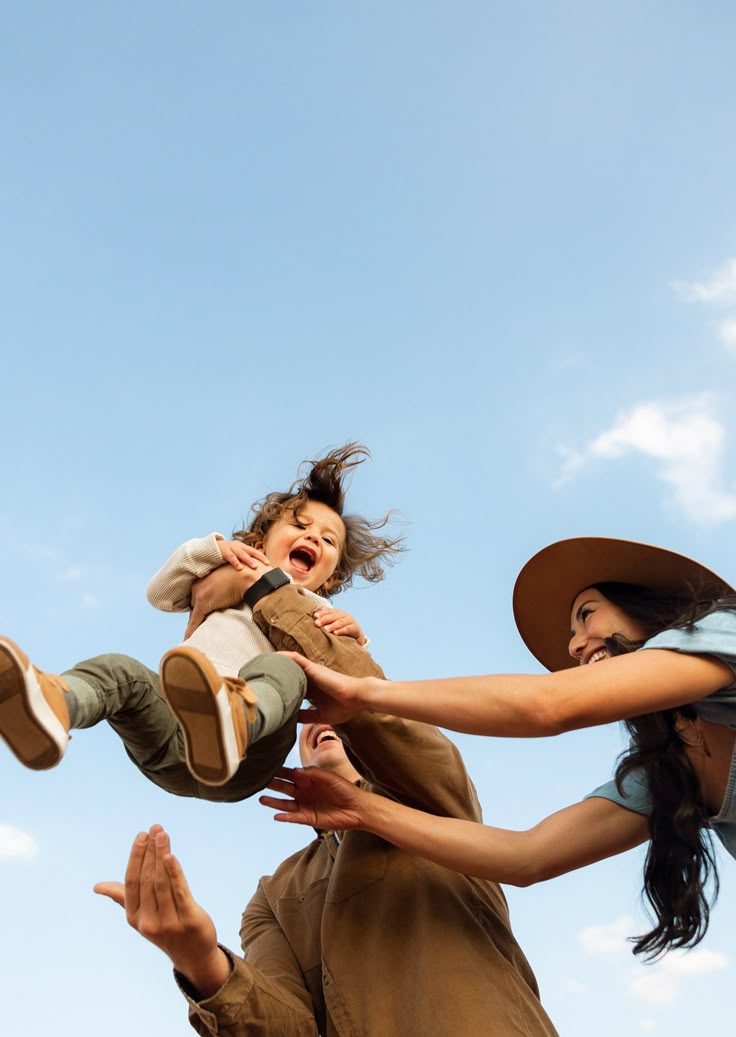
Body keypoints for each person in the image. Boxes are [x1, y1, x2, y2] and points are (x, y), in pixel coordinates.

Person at [264, 536, 736, 958]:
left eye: (586, 615)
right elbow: (527, 856)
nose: (574, 646)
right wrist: (362, 810)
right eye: (573, 633)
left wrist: (364, 692)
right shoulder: (668, 772)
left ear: (643, 604)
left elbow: (549, 706)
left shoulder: (724, 632)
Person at [94, 711, 560, 1035]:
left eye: (335, 710)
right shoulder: (274, 894)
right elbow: (288, 1028)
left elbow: (394, 734)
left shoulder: (427, 798)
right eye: (307, 718)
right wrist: (197, 959)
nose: (321, 719)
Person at [0, 442, 402, 801]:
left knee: (283, 668)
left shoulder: (316, 608)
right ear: (259, 543)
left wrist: (358, 636)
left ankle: (235, 717)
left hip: (246, 756)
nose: (313, 537)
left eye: (329, 540)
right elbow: (160, 594)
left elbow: (351, 677)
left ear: (330, 577)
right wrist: (215, 551)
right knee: (119, 671)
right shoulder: (227, 567)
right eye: (300, 526)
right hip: (172, 736)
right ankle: (53, 706)